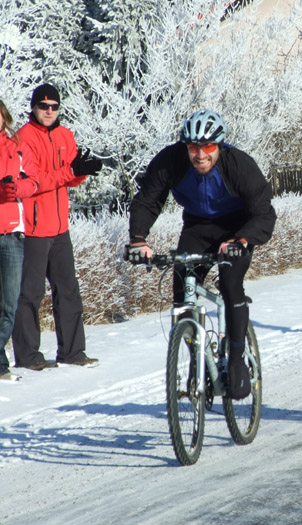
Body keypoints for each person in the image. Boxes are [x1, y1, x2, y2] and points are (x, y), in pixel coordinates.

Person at [126, 109, 276, 399]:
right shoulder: (170, 161)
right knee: (182, 292)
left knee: (231, 285)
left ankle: (235, 360)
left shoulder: (239, 165)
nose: (200, 155)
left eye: (207, 147)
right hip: (197, 227)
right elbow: (147, 200)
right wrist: (137, 240)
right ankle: (197, 356)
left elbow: (264, 214)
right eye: (193, 148)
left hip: (238, 228)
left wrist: (242, 239)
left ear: (219, 145)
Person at [12, 83, 102, 370]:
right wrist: (70, 172)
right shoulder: (23, 139)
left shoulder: (65, 135)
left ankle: (73, 352)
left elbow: (68, 176)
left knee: (68, 290)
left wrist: (82, 172)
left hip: (61, 226)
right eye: (43, 106)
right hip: (34, 228)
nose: (49, 111)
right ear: (34, 107)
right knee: (30, 293)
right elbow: (35, 182)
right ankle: (28, 356)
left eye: (54, 106)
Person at [0, 100, 39, 381]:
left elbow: (33, 181)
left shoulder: (16, 146)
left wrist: (16, 189)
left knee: (8, 307)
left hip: (12, 232)